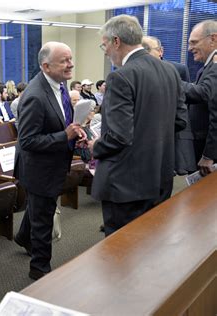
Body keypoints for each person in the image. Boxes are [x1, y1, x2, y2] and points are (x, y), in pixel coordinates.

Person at [90, 15, 187, 237]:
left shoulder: (121, 77)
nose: (104, 51)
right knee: (150, 247)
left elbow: (119, 137)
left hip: (126, 186)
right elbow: (180, 121)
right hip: (160, 176)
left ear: (116, 41)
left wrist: (96, 145)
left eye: (104, 44)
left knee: (123, 254)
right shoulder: (170, 71)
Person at [14, 42, 85, 280]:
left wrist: (75, 132)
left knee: (38, 208)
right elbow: (28, 141)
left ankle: (23, 236)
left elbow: (62, 120)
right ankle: (39, 270)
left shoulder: (60, 85)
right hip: (39, 170)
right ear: (46, 66)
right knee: (43, 222)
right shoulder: (34, 95)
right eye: (64, 60)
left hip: (54, 164)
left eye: (70, 58)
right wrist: (64, 136)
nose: (71, 64)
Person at [142, 35, 196, 175]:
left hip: (174, 127)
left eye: (148, 49)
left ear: (161, 51)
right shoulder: (135, 71)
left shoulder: (177, 69)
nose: (145, 53)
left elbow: (187, 99)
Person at [182, 20, 217, 176]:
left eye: (194, 42)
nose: (190, 48)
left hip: (208, 151)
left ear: (213, 39)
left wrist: (209, 155)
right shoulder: (208, 67)